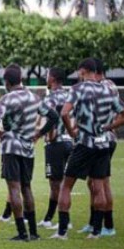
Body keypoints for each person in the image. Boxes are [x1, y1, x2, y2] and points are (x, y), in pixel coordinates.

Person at [52, 58, 124, 240]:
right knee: (99, 186)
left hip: (84, 143)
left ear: (82, 71)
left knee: (66, 185)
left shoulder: (78, 89)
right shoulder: (108, 90)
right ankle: (96, 231)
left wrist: (71, 131)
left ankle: (62, 232)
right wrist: (109, 127)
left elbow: (64, 112)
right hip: (103, 143)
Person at [0, 64, 59, 241]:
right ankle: (34, 232)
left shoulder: (6, 99)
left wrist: (0, 134)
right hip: (28, 148)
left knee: (14, 188)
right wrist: (38, 134)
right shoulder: (34, 97)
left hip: (11, 147)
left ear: (7, 82)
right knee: (27, 188)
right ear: (20, 79)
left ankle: (22, 232)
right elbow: (54, 117)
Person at [37, 67, 73, 230]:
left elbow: (52, 118)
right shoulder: (70, 95)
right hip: (69, 142)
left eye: (47, 75)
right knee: (60, 184)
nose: (46, 77)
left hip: (55, 144)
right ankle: (48, 219)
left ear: (52, 78)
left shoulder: (50, 98)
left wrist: (44, 134)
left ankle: (65, 221)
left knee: (56, 184)